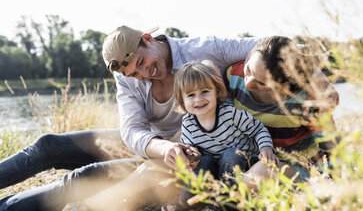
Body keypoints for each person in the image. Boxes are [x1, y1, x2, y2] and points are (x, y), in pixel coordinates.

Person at [0, 25, 262, 211]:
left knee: (82, 178)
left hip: (191, 153)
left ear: (147, 39)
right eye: (134, 74)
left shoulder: (204, 50)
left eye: (143, 63)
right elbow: (132, 128)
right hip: (152, 145)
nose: (144, 75)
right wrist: (163, 146)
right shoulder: (126, 77)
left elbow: (267, 47)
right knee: (48, 145)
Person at [225, 36, 339, 188]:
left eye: (262, 83)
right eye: (249, 69)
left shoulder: (306, 100)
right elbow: (222, 119)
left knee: (257, 176)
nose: (248, 82)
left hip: (296, 167)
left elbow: (331, 145)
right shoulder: (233, 75)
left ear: (286, 82)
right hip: (249, 157)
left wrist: (341, 185)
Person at [168, 61, 279, 210]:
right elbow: (190, 148)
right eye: (191, 95)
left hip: (243, 164)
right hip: (216, 169)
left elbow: (258, 129)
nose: (199, 99)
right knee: (202, 162)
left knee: (231, 154)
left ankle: (225, 205)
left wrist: (266, 148)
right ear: (182, 100)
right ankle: (186, 204)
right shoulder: (188, 122)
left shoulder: (230, 114)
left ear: (217, 91)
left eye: (205, 91)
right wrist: (190, 155)